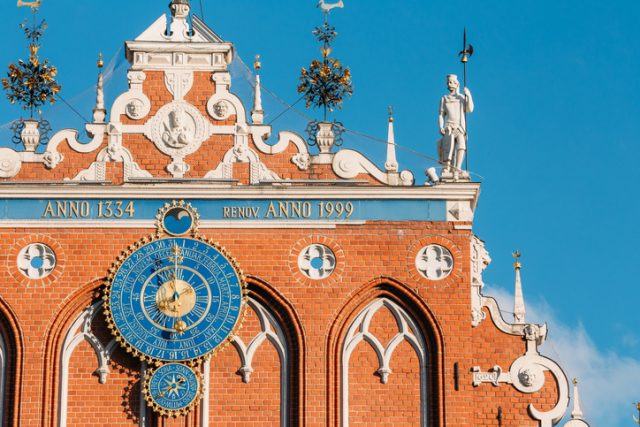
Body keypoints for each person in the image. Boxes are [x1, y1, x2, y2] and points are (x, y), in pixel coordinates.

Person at [438, 74, 474, 179]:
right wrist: (441, 126)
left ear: (456, 84)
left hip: (459, 127)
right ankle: (447, 168)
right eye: (448, 82)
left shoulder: (461, 98)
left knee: (462, 146)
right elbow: (441, 114)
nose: (449, 84)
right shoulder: (444, 98)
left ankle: (457, 168)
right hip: (449, 126)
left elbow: (470, 108)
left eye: (451, 82)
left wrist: (469, 95)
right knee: (448, 148)